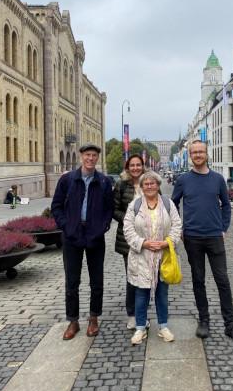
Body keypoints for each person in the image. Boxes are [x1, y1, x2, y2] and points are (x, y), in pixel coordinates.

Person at [171, 140, 233, 344]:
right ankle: (204, 320)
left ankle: (230, 325)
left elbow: (226, 205)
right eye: (194, 152)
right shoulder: (183, 180)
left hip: (214, 236)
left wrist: (223, 227)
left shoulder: (218, 179)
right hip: (192, 237)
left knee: (223, 280)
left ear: (206, 154)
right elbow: (173, 205)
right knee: (198, 280)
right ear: (190, 155)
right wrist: (179, 229)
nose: (197, 155)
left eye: (200, 152)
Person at [51, 143, 114, 340]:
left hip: (95, 237)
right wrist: (66, 225)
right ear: (81, 157)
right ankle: (73, 321)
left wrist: (102, 227)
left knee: (97, 281)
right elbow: (56, 206)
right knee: (72, 281)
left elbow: (109, 209)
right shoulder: (68, 180)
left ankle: (94, 318)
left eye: (94, 155)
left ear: (97, 158)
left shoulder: (103, 181)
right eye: (87, 155)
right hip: (72, 237)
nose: (90, 158)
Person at [123, 171, 182, 345]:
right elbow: (128, 229)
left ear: (158, 185)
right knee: (141, 294)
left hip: (163, 255)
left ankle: (163, 326)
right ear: (141, 187)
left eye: (153, 183)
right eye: (146, 184)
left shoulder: (167, 203)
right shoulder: (135, 205)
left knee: (162, 293)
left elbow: (177, 225)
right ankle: (140, 327)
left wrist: (167, 242)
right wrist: (143, 243)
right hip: (141, 255)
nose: (149, 186)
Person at [112, 154, 146, 330]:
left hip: (148, 239)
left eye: (138, 165)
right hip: (128, 239)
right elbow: (114, 209)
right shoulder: (121, 184)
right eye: (132, 165)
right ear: (127, 167)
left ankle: (143, 314)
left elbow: (160, 205)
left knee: (146, 278)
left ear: (143, 166)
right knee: (132, 277)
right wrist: (129, 218)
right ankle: (132, 315)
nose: (135, 168)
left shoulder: (149, 182)